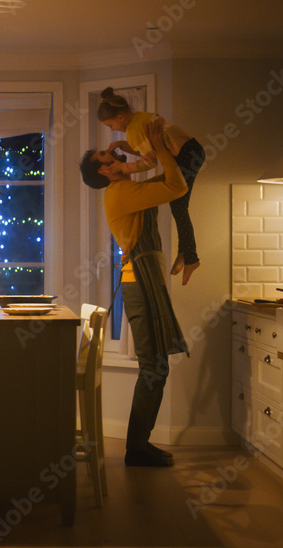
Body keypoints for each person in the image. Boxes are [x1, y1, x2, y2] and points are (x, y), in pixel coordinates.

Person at [80, 119, 189, 467]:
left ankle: (138, 446)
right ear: (105, 170)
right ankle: (136, 448)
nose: (112, 150)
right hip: (140, 285)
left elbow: (168, 181)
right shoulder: (122, 191)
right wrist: (156, 148)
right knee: (153, 367)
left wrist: (152, 152)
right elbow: (175, 186)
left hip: (143, 283)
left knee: (155, 367)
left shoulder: (125, 189)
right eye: (106, 153)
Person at [83, 86, 206, 285]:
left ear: (120, 117)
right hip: (189, 151)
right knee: (180, 206)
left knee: (179, 206)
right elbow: (153, 158)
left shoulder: (133, 133)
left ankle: (189, 256)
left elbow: (152, 163)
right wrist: (126, 155)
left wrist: (124, 162)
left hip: (186, 153)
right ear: (103, 170)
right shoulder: (139, 119)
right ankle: (188, 254)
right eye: (108, 127)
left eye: (110, 125)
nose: (112, 130)